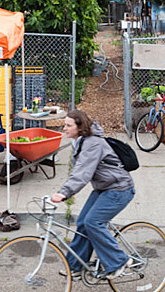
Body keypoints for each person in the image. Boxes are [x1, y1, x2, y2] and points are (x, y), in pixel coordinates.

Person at [51, 109, 135, 280]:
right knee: (83, 222)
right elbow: (79, 171)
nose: (64, 129)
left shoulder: (92, 143)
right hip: (105, 187)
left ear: (79, 127)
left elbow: (82, 173)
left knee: (93, 222)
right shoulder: (80, 141)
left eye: (68, 125)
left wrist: (63, 193)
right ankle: (75, 266)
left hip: (119, 189)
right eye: (64, 125)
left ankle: (119, 261)